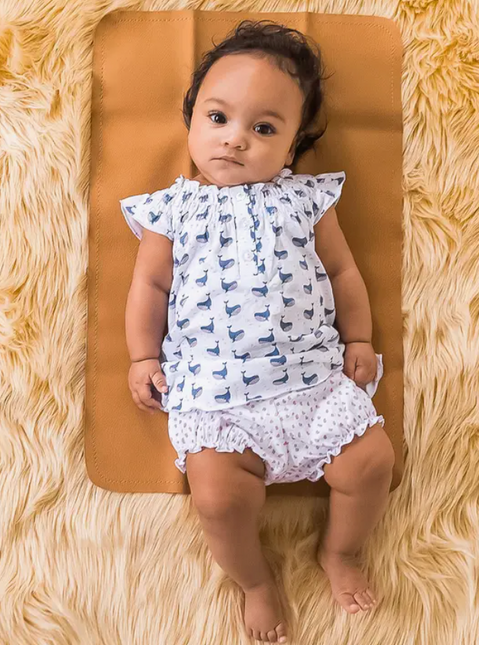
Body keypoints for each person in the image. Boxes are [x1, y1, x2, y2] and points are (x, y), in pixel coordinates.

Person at [120, 19, 395, 644]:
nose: (235, 141)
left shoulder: (304, 201)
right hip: (220, 404)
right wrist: (142, 356)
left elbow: (344, 272)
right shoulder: (172, 208)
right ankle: (255, 582)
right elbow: (149, 289)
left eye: (263, 128)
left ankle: (341, 552)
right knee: (217, 501)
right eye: (218, 119)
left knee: (373, 462)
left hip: (313, 390)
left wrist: (358, 339)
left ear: (292, 148)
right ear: (191, 122)